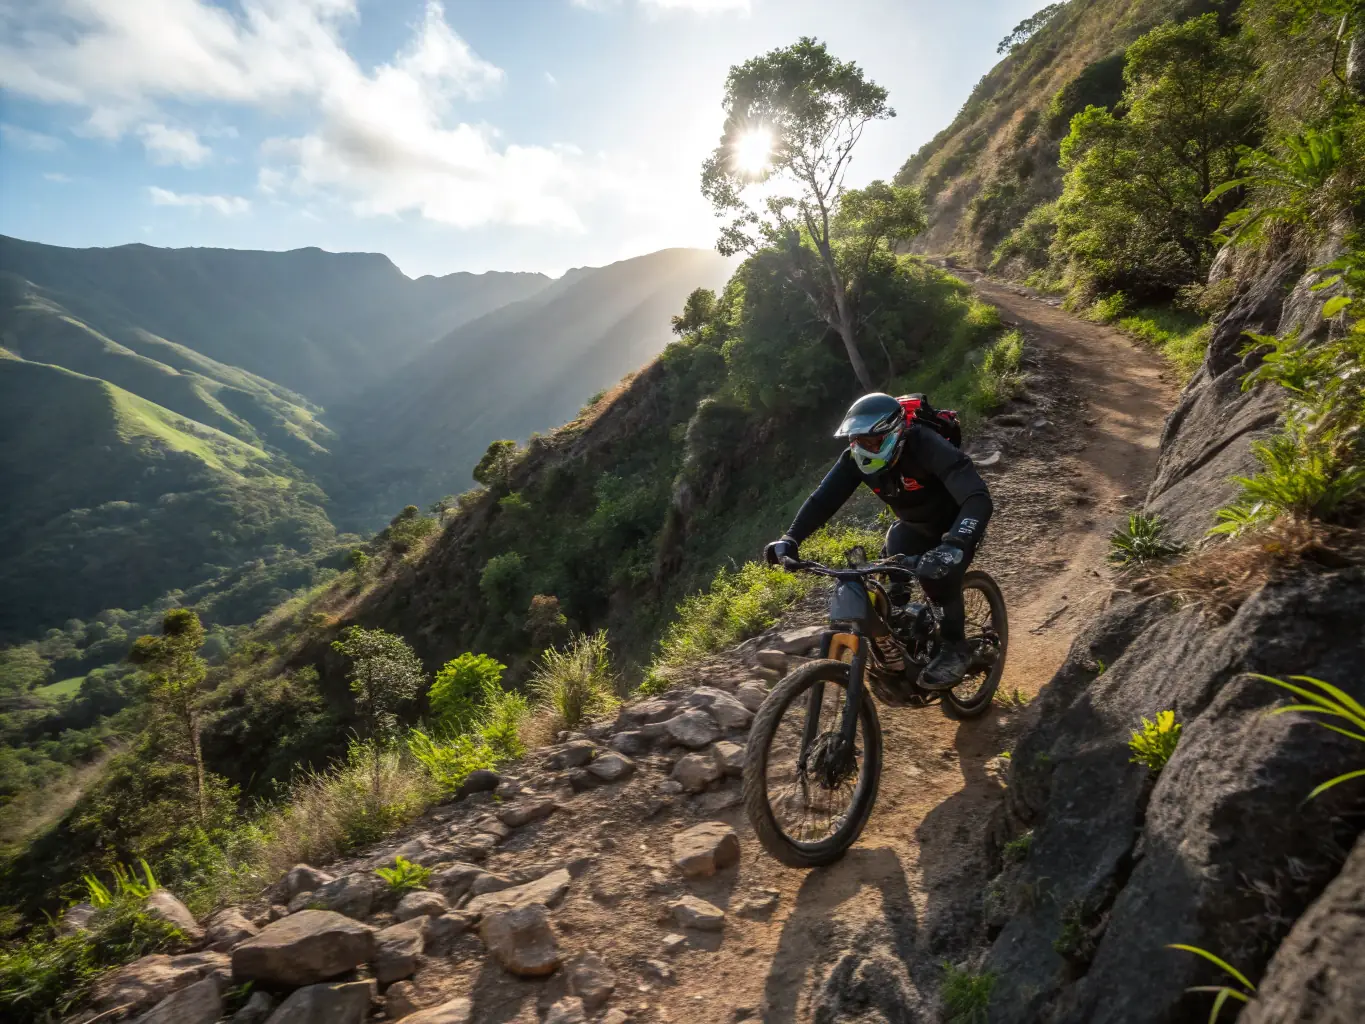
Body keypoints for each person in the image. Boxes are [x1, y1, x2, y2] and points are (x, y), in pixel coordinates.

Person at [765, 392, 993, 689]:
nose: (864, 449)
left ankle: (956, 649)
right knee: (886, 596)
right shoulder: (854, 460)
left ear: (895, 434)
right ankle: (906, 654)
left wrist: (955, 545)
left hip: (956, 526)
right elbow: (823, 501)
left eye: (872, 442)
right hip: (912, 529)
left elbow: (977, 498)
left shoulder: (924, 444)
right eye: (858, 441)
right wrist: (791, 538)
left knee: (938, 578)